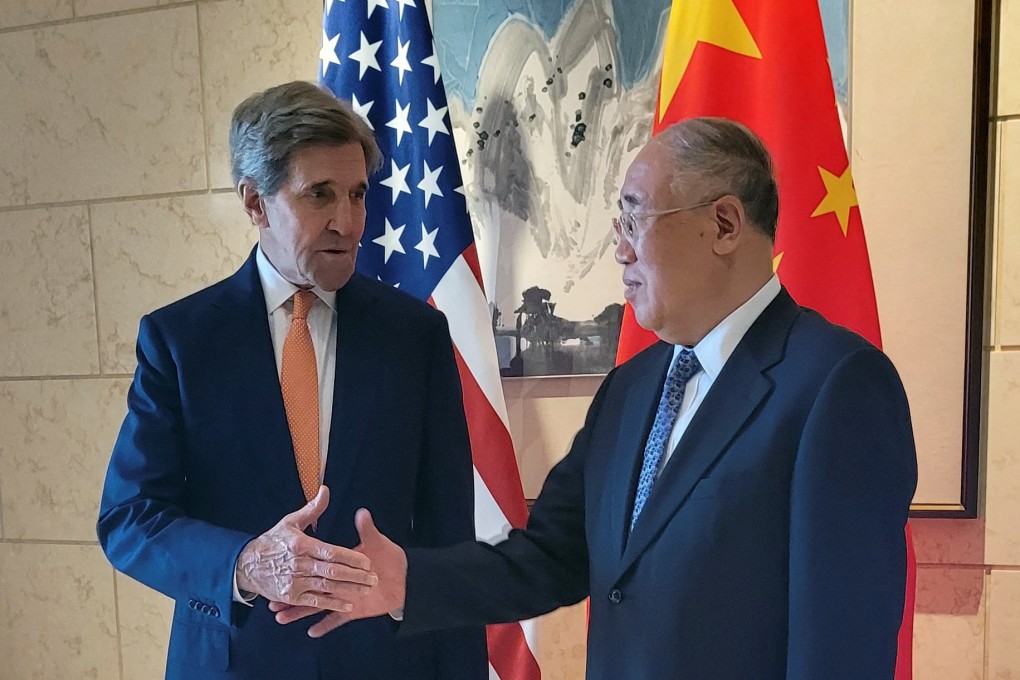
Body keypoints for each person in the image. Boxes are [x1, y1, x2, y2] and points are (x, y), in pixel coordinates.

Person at [274, 117, 919, 679]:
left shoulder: (836, 386)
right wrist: (408, 581)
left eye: (635, 218)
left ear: (724, 223)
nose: (619, 248)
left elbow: (842, 650)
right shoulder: (634, 389)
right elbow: (551, 557)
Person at [96, 81, 487, 680]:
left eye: (358, 194)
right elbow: (130, 517)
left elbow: (448, 537)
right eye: (319, 195)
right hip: (232, 663)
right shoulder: (181, 342)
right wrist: (247, 562)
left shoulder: (416, 337)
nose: (348, 221)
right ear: (255, 203)